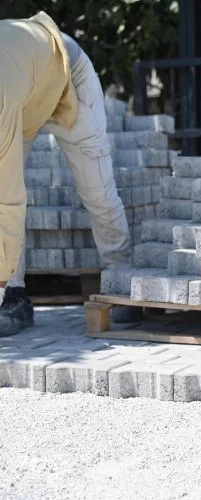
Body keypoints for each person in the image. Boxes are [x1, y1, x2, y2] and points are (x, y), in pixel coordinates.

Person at [0, 12, 133, 336]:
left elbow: (7, 199)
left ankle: (123, 280)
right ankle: (14, 298)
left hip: (67, 76)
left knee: (96, 191)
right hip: (28, 95)